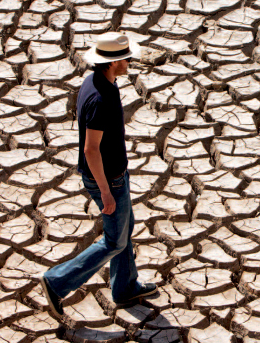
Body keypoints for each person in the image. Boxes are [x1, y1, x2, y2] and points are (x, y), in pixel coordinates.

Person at [39, 32, 156, 317]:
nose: (129, 61)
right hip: (108, 179)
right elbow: (91, 150)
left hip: (114, 175)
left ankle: (125, 288)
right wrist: (105, 191)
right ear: (113, 63)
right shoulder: (100, 98)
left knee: (124, 228)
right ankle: (56, 282)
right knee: (114, 240)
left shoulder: (98, 82)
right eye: (126, 58)